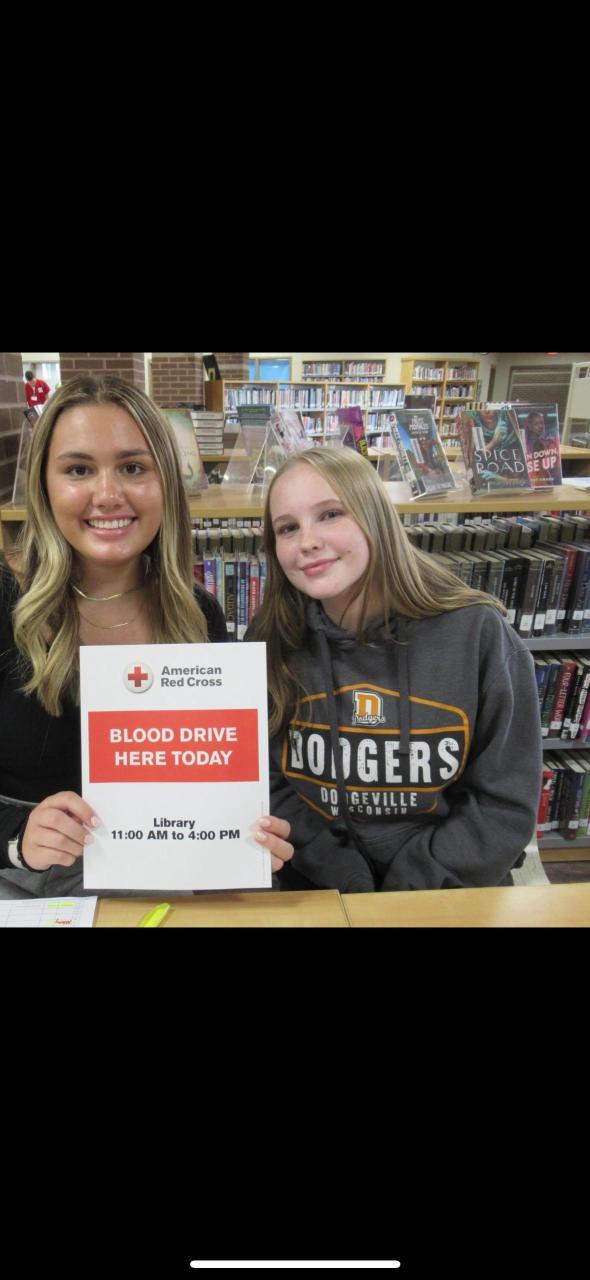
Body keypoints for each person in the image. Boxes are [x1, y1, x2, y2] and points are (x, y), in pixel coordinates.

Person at [0, 374, 292, 899]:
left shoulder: (197, 614)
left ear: (166, 484)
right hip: (28, 890)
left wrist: (244, 835)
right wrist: (18, 840)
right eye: (79, 469)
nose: (108, 495)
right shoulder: (5, 600)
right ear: (45, 485)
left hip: (167, 884)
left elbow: (216, 776)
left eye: (133, 468)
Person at [247, 447, 542, 893]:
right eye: (287, 527)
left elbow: (504, 805)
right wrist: (344, 878)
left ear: (376, 518)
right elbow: (265, 784)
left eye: (330, 514)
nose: (307, 541)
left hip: (449, 891)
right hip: (319, 886)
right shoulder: (269, 641)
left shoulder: (478, 635)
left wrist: (403, 895)